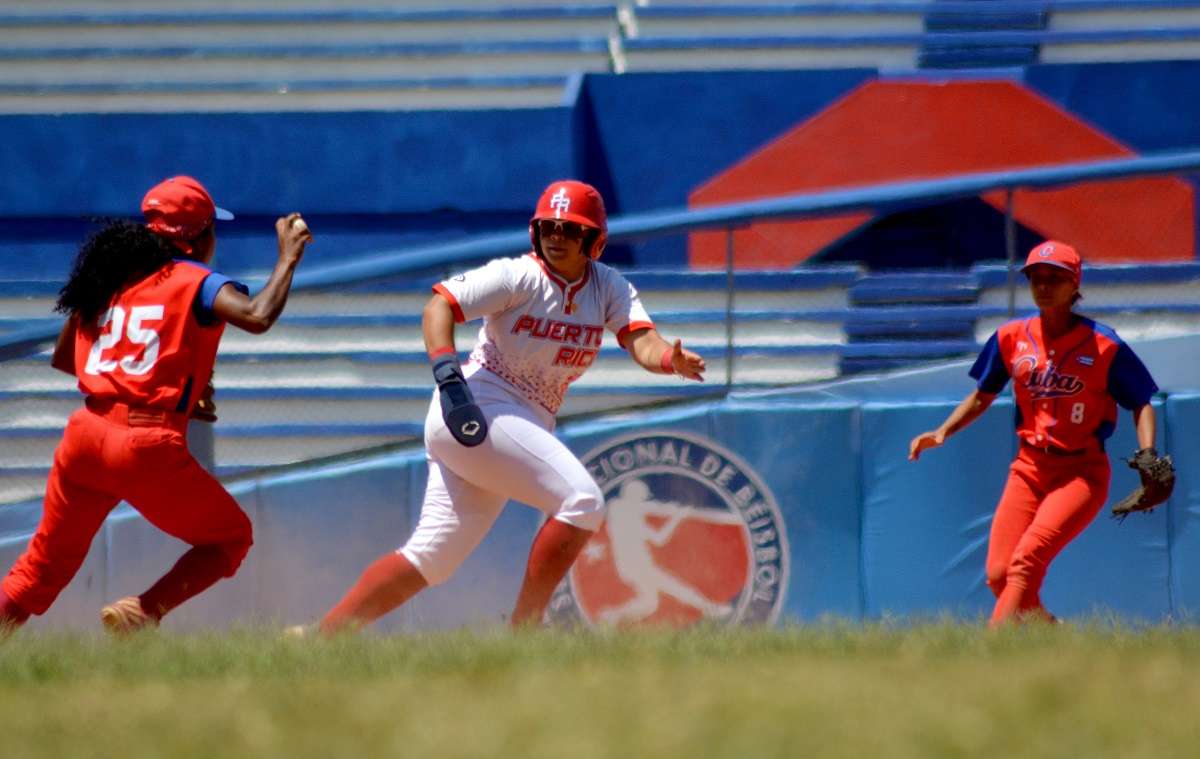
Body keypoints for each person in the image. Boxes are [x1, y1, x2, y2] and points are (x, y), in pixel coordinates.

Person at [313, 179, 706, 634]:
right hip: (476, 406)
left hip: (517, 420)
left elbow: (642, 341)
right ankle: (525, 630)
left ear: (594, 240)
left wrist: (667, 358)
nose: (556, 235)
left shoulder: (610, 287)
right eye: (548, 226)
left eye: (569, 228)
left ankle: (320, 638)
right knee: (582, 500)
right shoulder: (518, 275)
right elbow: (438, 307)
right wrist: (448, 378)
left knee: (432, 560)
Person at [0, 175, 312, 635]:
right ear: (200, 236)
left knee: (38, 571)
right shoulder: (197, 280)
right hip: (144, 441)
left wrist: (161, 381)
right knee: (230, 538)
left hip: (86, 434)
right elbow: (257, 316)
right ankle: (143, 613)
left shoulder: (109, 279)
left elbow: (68, 359)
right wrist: (287, 259)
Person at [908, 241, 1161, 628]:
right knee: (998, 575)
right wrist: (943, 431)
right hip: (1029, 467)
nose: (1043, 285)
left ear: (1074, 283)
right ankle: (1054, 636)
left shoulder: (1104, 344)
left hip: (1081, 472)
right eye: (1035, 278)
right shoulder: (1011, 337)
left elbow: (1141, 400)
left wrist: (1148, 455)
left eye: (1054, 277)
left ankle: (986, 656)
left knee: (1026, 560)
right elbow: (982, 395)